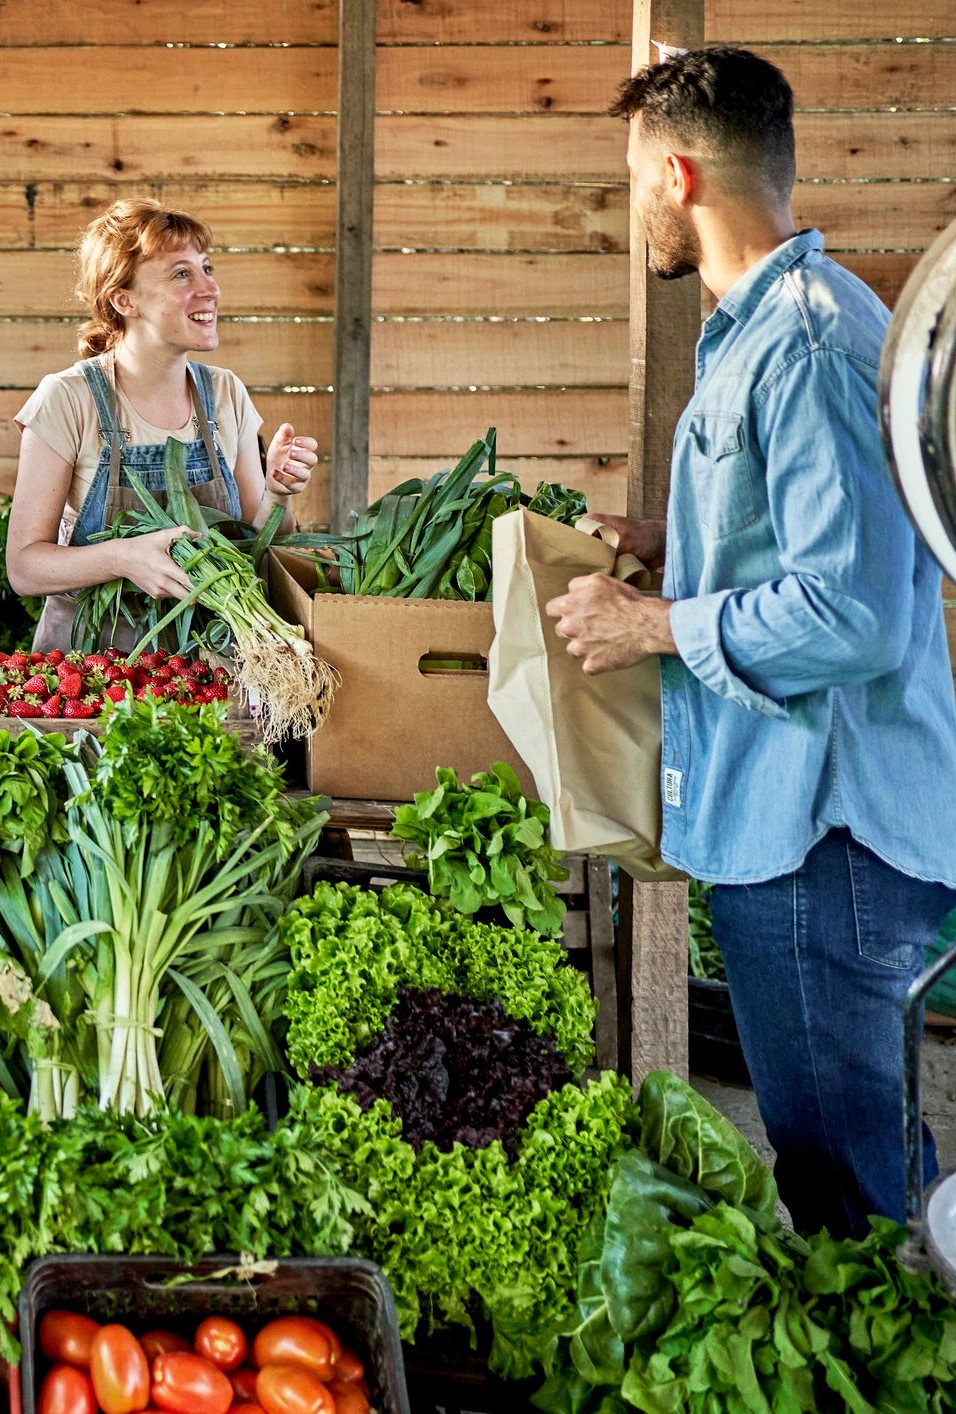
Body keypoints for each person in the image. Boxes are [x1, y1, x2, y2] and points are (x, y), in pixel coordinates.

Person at [549, 47, 956, 1238]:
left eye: (632, 178)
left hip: (825, 835)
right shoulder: (761, 332)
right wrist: (671, 546)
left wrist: (653, 624)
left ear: (675, 174)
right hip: (790, 823)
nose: (631, 206)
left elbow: (856, 612)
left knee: (849, 1193)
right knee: (841, 1153)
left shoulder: (815, 345)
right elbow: (797, 548)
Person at [4, 199, 317, 650]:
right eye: (181, 274)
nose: (210, 289)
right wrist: (125, 558)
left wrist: (278, 493)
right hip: (93, 671)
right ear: (123, 299)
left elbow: (261, 545)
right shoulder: (70, 399)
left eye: (206, 268)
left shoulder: (226, 395)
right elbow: (25, 568)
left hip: (209, 668)